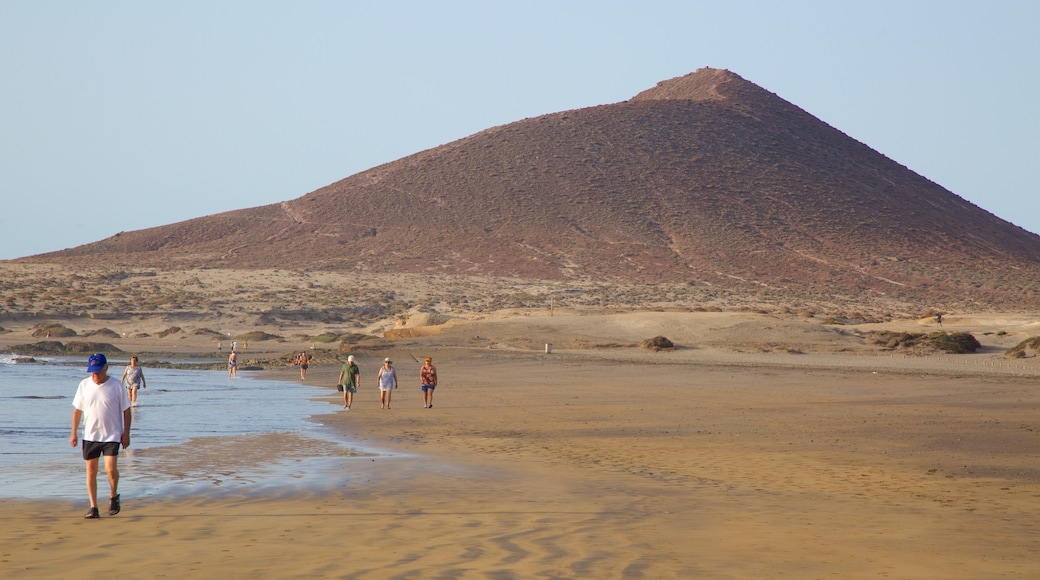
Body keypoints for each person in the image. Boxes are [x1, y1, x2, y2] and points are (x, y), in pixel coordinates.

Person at [70, 353, 131, 519]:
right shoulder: (84, 385)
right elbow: (77, 411)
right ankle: (93, 507)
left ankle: (113, 496)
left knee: (111, 470)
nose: (94, 374)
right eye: (92, 371)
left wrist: (126, 433)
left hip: (112, 435)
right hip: (90, 435)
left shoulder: (117, 386)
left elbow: (126, 410)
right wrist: (73, 432)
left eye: (98, 370)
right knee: (91, 470)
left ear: (106, 367)